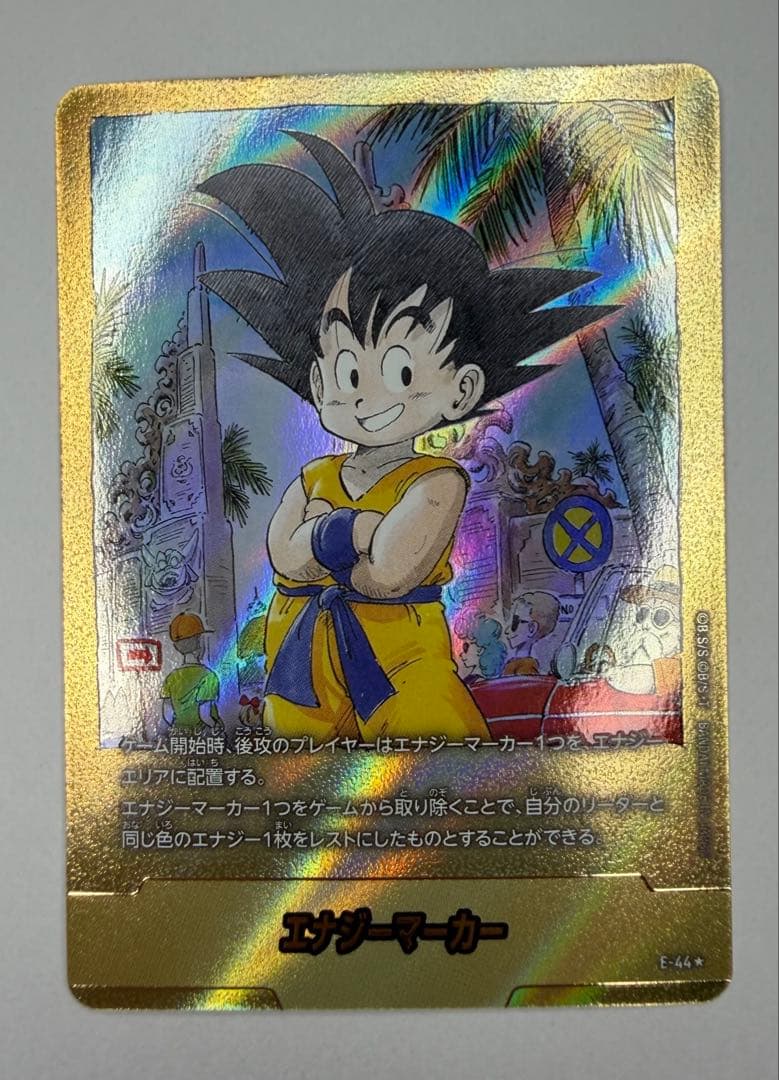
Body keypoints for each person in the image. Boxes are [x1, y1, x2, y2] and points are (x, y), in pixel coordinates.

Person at [198, 132, 615, 741]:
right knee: (295, 778)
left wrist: (326, 535)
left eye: (400, 372)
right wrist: (358, 534)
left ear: (461, 390)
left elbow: (390, 573)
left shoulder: (438, 479)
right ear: (318, 379)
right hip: (302, 671)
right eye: (347, 372)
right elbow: (286, 557)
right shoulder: (313, 477)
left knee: (441, 755)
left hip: (403, 667)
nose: (366, 396)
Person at [608, 565, 682, 697]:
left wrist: (655, 654)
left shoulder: (679, 665)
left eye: (660, 617)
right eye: (642, 614)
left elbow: (642, 679)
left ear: (678, 626)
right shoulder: (635, 651)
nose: (646, 625)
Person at [160, 612, 223, 733]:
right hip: (203, 734)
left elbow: (167, 714)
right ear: (199, 642)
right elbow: (205, 714)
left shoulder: (171, 678)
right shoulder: (208, 676)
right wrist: (216, 726)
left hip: (179, 735)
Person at [503, 591, 561, 676]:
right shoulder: (516, 663)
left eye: (514, 623)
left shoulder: (525, 668)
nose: (506, 631)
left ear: (532, 628)